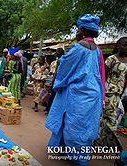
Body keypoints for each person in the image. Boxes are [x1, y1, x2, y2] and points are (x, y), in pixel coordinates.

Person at [45, 14, 105, 165]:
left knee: (71, 124)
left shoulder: (78, 48)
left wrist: (56, 85)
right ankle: (77, 154)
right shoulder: (98, 50)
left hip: (77, 95)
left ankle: (75, 156)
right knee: (85, 125)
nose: (76, 33)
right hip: (94, 94)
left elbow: (64, 69)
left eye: (78, 30)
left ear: (83, 31)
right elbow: (101, 74)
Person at [97, 37, 127, 145]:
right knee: (112, 118)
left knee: (107, 118)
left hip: (119, 94)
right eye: (124, 45)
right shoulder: (111, 59)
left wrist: (122, 93)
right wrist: (102, 92)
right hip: (108, 92)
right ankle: (118, 147)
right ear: (118, 45)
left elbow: (125, 79)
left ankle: (99, 141)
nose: (126, 48)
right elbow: (103, 76)